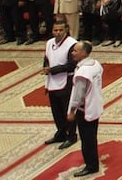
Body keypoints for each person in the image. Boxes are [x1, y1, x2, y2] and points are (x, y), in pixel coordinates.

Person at [66, 40, 103, 177]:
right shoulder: (96, 64)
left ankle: (91, 165)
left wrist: (71, 111)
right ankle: (93, 161)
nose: (72, 53)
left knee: (87, 139)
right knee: (92, 136)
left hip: (85, 109)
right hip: (96, 105)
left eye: (75, 51)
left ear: (84, 53)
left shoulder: (83, 72)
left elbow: (77, 95)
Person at [42, 19, 78, 150]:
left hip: (66, 82)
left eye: (60, 30)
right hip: (52, 81)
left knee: (67, 110)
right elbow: (46, 58)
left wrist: (53, 70)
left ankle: (71, 135)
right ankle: (61, 133)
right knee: (56, 110)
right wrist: (46, 68)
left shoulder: (72, 44)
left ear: (66, 30)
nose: (57, 33)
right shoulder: (49, 43)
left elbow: (72, 65)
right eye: (55, 30)